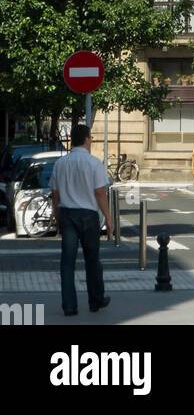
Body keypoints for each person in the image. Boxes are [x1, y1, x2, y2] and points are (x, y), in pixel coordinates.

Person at [49, 123, 113, 316]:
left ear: (71, 140)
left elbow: (55, 192)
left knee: (67, 262)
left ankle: (69, 305)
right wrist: (109, 218)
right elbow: (100, 192)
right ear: (86, 139)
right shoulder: (94, 163)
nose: (91, 141)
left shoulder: (61, 163)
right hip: (88, 215)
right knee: (92, 260)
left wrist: (57, 214)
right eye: (91, 138)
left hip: (67, 213)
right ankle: (96, 300)